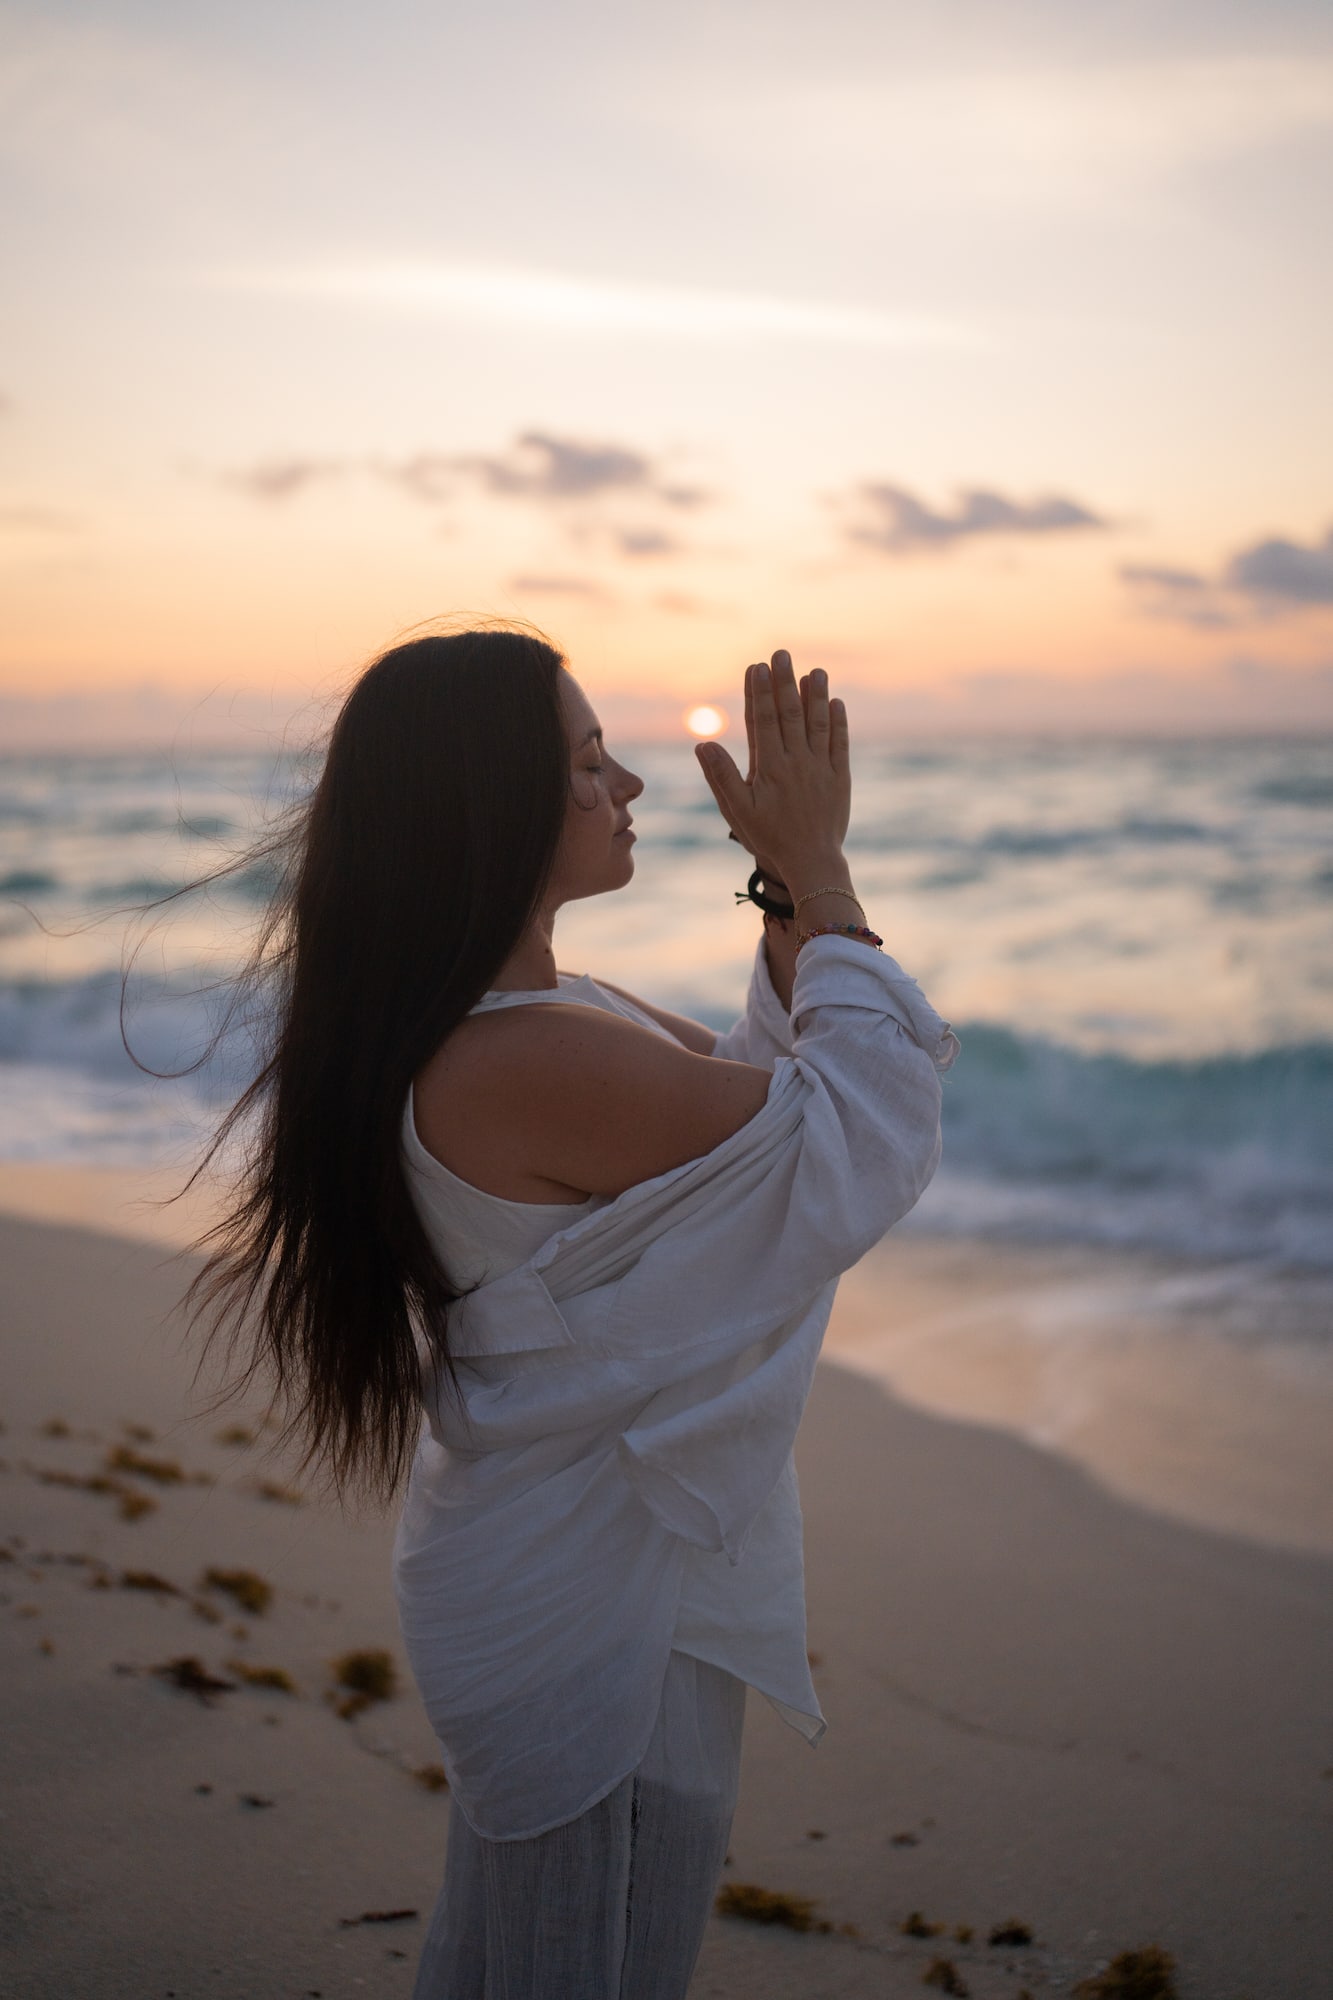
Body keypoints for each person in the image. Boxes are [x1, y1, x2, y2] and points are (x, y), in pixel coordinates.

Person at [186, 627, 958, 2000]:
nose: (632, 790)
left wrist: (787, 878)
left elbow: (755, 1106)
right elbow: (851, 1144)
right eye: (589, 762)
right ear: (489, 809)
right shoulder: (524, 1053)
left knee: (522, 1961)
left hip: (558, 1561)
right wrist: (820, 873)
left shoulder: (522, 1022)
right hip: (593, 1603)